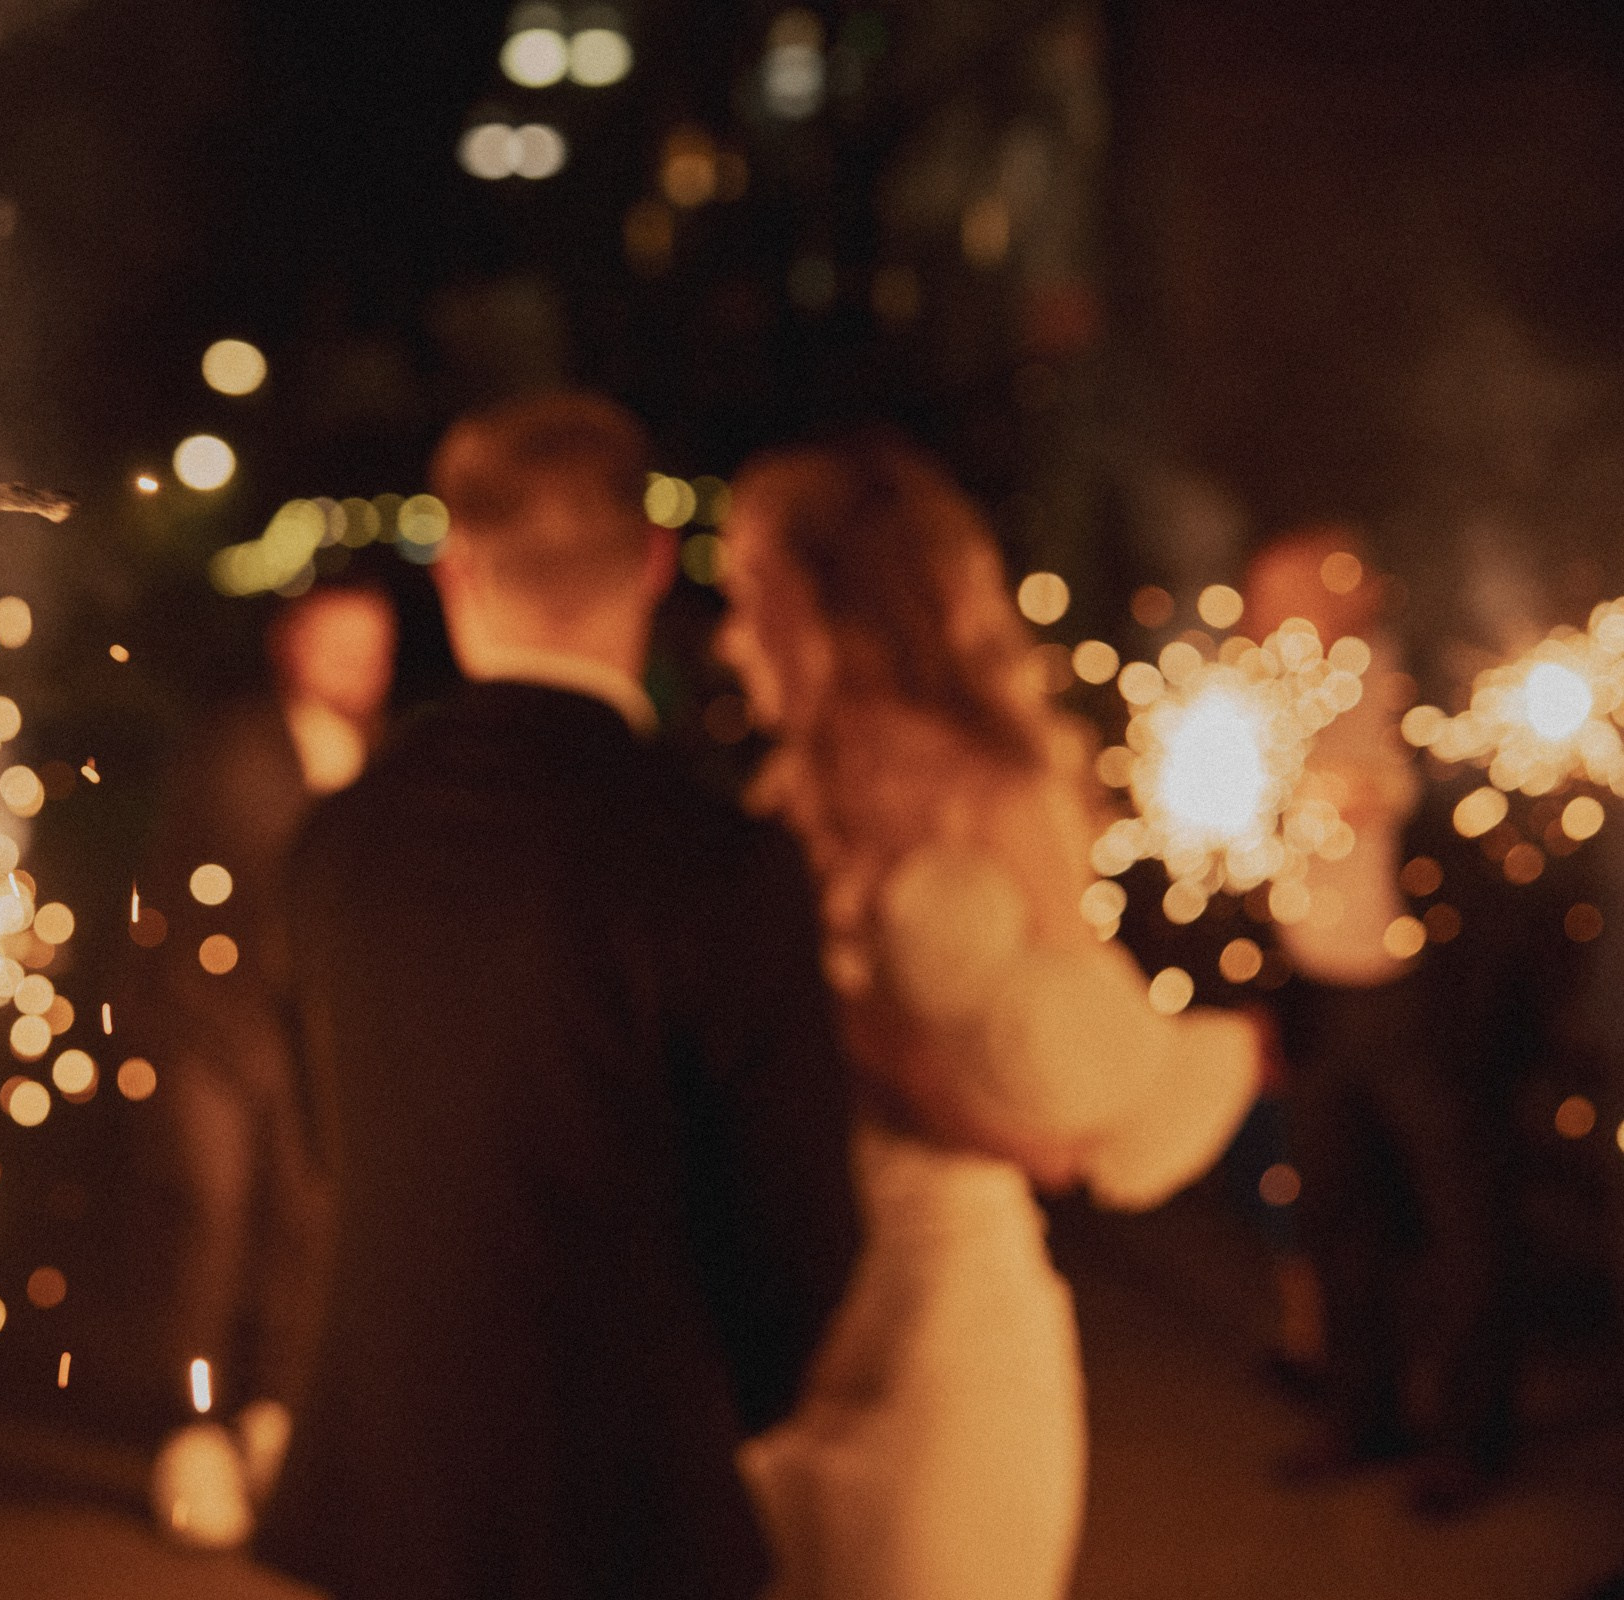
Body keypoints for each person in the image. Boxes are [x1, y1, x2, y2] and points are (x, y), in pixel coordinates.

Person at [256, 391, 860, 1600]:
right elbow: (799, 1227)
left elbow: (324, 1154)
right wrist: (698, 1407)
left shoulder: (335, 839)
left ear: (453, 566)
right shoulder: (720, 863)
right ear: (649, 562)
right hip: (630, 1507)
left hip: (384, 1510)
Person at [712, 438, 1261, 1600]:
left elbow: (1062, 1130)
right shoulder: (776, 800)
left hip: (942, 1339)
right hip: (785, 1337)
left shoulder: (998, 793)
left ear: (828, 605)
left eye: (747, 598)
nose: (727, 637)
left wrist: (865, 1048)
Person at [1245, 528, 1524, 1516]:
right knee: (1336, 1211)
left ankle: (1468, 1435)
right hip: (1317, 997)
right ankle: (1360, 1414)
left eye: (1277, 595)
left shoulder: (1415, 688)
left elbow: (1435, 792)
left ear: (1343, 598)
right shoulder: (1262, 705)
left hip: (1414, 994)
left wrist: (1359, 788)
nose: (1257, 614)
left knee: (1456, 1218)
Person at [136, 577, 398, 1546]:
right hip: (211, 1027)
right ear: (290, 646)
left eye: (375, 649)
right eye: (340, 646)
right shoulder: (239, 743)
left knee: (309, 1223)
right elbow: (262, 872)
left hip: (317, 1039)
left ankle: (275, 1417)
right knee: (210, 1219)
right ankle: (192, 1431)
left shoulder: (386, 752)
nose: (360, 670)